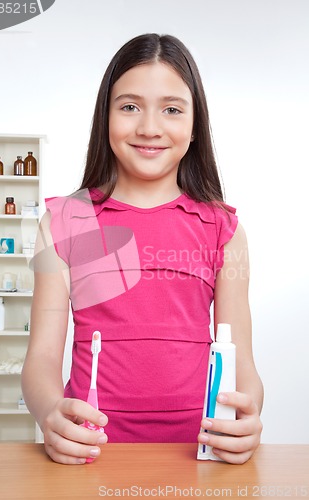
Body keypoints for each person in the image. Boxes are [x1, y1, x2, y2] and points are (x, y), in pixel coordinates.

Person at [21, 33, 263, 465]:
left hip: (201, 459)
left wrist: (248, 416)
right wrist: (49, 412)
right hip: (88, 457)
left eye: (171, 109)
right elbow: (40, 357)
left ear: (194, 126)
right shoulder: (63, 222)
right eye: (129, 106)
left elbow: (241, 358)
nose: (149, 127)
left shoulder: (224, 229)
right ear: (105, 117)